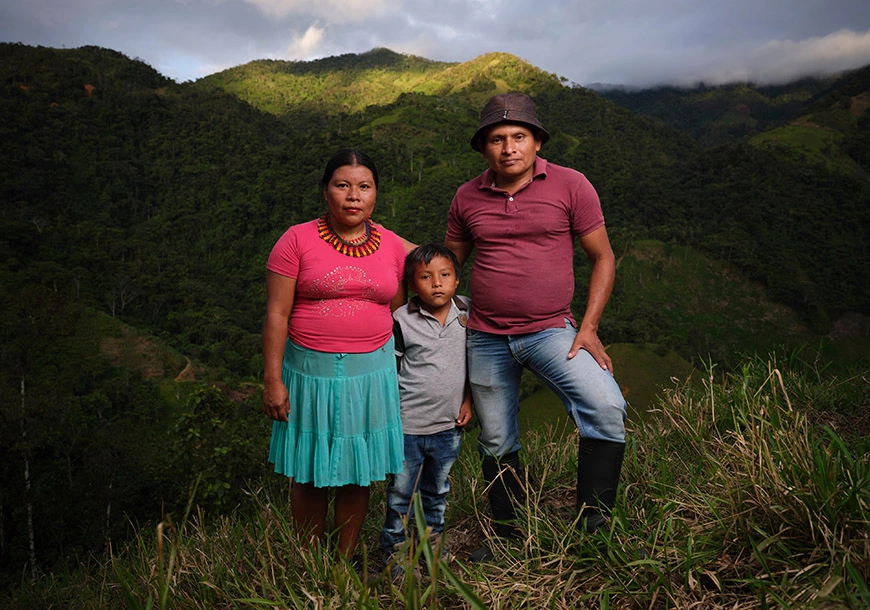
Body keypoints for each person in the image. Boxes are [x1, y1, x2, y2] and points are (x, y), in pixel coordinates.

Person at [444, 92, 628, 562]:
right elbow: (447, 267)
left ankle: (595, 524)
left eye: (519, 137)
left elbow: (602, 257)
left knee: (606, 405)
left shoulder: (571, 186)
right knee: (495, 437)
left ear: (537, 141)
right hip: (484, 335)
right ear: (483, 147)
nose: (509, 148)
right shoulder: (467, 196)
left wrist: (587, 327)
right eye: (497, 139)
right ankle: (508, 535)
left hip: (551, 331)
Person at [262, 148, 408, 560]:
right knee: (308, 472)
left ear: (376, 193)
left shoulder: (392, 245)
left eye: (364, 187)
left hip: (373, 373)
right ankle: (309, 561)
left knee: (356, 473)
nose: (353, 196)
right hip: (310, 373)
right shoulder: (296, 240)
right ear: (326, 191)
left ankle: (343, 561)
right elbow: (276, 313)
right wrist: (272, 380)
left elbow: (404, 305)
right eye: (342, 185)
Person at [379, 244, 473, 574]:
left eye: (445, 275)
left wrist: (468, 399)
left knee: (437, 491)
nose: (437, 284)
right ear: (412, 284)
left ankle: (432, 544)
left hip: (448, 426)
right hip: (407, 425)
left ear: (457, 281)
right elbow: (391, 371)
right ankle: (397, 551)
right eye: (426, 277)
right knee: (402, 492)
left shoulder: (467, 314)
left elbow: (473, 362)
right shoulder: (401, 321)